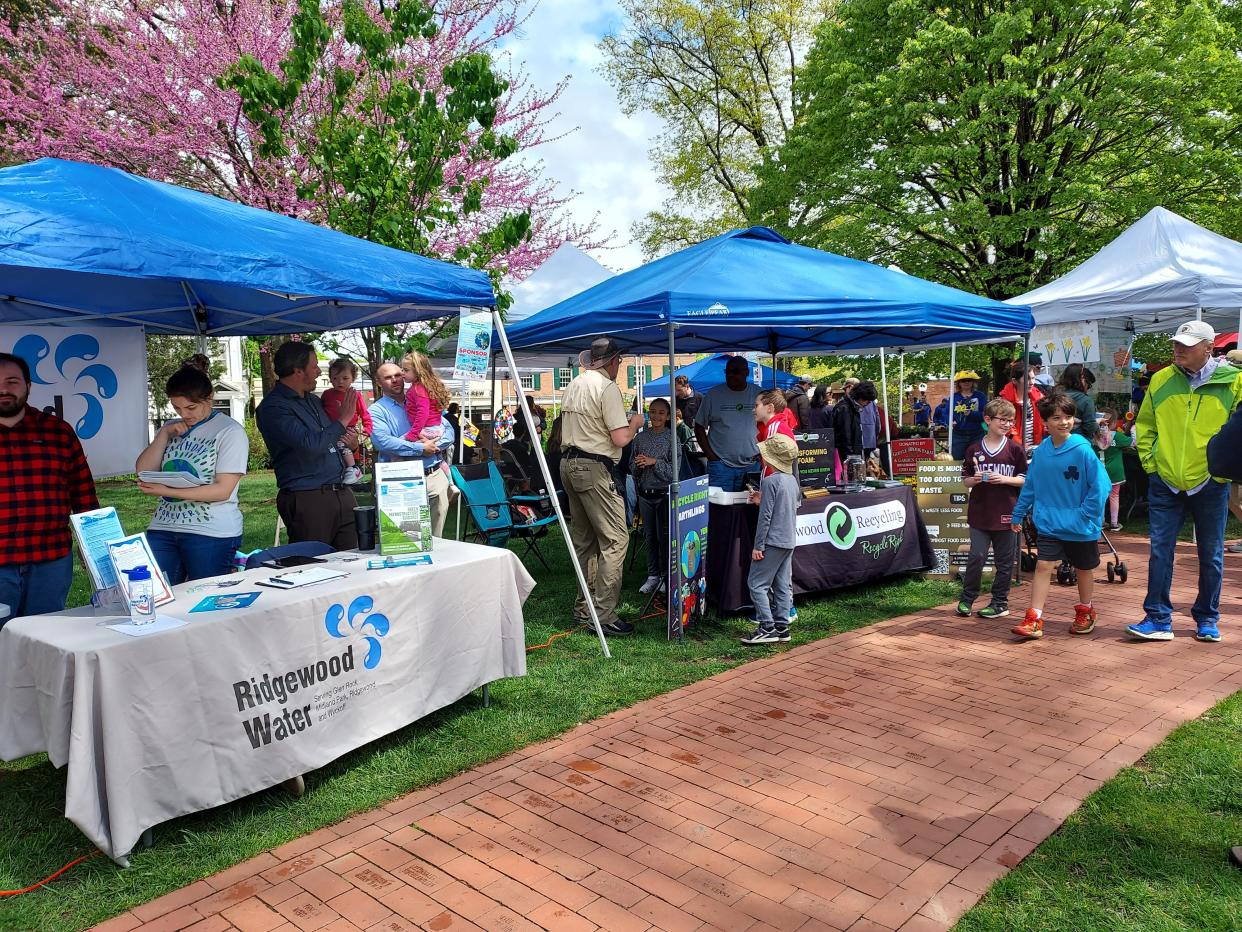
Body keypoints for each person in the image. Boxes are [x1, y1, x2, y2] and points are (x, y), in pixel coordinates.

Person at [1127, 321, 1242, 643]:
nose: (1179, 349)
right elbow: (1145, 425)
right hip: (1165, 480)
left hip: (1210, 481)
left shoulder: (1234, 381)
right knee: (1160, 551)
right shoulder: (1162, 379)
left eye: (1188, 344)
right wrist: (1152, 465)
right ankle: (1157, 618)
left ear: (1208, 347)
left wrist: (1220, 470)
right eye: (1177, 343)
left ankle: (1207, 618)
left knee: (1211, 554)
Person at [0, 352, 99, 627]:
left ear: (28, 387)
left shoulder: (58, 432)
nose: (4, 390)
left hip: (50, 560)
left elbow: (83, 493)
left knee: (45, 640)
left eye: (12, 381)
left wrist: (91, 545)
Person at [135, 356, 249, 584]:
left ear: (210, 398)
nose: (184, 414)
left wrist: (166, 490)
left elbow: (222, 491)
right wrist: (163, 435)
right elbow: (143, 471)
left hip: (211, 532)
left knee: (205, 601)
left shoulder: (230, 432)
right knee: (160, 597)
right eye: (176, 407)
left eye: (190, 407)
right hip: (163, 527)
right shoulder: (171, 427)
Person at [559, 337, 646, 636]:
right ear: (612, 361)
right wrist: (635, 423)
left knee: (586, 541)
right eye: (619, 361)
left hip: (569, 464)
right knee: (616, 540)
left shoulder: (574, 384)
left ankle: (585, 609)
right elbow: (620, 438)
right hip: (593, 466)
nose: (620, 365)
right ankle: (604, 615)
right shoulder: (607, 387)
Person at [1009, 391, 1110, 640]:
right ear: (1045, 422)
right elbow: (1031, 485)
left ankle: (1086, 611)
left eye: (1068, 417)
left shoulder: (1083, 451)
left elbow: (1101, 486)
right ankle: (1034, 617)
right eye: (1056, 417)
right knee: (1043, 565)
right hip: (1050, 523)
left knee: (1083, 569)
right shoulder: (1041, 452)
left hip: (1080, 525)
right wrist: (1018, 513)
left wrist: (1086, 514)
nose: (1063, 422)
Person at [256, 341, 361, 549]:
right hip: (308, 498)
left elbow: (330, 440)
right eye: (314, 367)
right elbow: (310, 445)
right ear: (297, 371)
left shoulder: (313, 401)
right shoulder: (274, 408)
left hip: (341, 492)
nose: (318, 372)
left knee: (353, 563)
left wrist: (352, 443)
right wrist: (342, 420)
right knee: (314, 568)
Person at [955, 398, 1027, 620]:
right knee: (976, 555)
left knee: (1004, 560)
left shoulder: (1015, 449)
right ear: (987, 420)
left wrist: (1004, 479)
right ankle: (967, 598)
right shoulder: (974, 449)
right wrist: (975, 479)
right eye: (1002, 420)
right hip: (980, 511)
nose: (1006, 424)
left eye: (1010, 421)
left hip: (1007, 510)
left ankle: (999, 602)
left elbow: (1025, 479)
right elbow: (965, 480)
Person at [369, 362, 455, 537]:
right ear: (379, 382)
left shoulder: (421, 396)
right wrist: (420, 448)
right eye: (388, 377)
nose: (395, 380)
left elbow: (448, 430)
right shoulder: (376, 410)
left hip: (434, 477)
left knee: (437, 541)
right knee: (407, 541)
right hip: (401, 482)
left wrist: (434, 445)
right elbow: (382, 442)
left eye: (398, 375)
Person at [740, 434, 799, 646]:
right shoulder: (791, 480)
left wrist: (758, 546)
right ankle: (782, 627)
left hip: (772, 540)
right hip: (788, 539)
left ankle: (767, 627)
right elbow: (788, 506)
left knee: (756, 584)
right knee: (782, 584)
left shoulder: (770, 481)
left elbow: (766, 517)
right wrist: (763, 500)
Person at [695, 355, 762, 491]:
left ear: (746, 373)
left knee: (750, 509)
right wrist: (710, 455)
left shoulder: (758, 395)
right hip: (720, 466)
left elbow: (768, 424)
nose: (731, 375)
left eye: (736, 372)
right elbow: (699, 426)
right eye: (728, 372)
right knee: (720, 510)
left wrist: (763, 452)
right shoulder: (713, 394)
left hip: (752, 464)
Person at [631, 398, 675, 596]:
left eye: (661, 412)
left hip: (665, 495)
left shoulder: (672, 438)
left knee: (664, 537)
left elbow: (675, 472)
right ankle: (652, 576)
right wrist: (638, 466)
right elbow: (632, 468)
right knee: (649, 537)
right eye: (653, 411)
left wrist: (653, 462)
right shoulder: (640, 439)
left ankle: (666, 576)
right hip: (645, 494)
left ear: (667, 416)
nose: (656, 416)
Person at [321, 358, 372, 484]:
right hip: (331, 429)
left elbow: (364, 414)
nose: (340, 382)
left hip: (348, 429)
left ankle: (353, 468)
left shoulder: (355, 395)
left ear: (353, 378)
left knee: (344, 447)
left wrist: (368, 429)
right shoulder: (327, 395)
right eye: (335, 378)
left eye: (345, 378)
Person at [401, 352, 451, 475]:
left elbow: (422, 413)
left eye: (406, 370)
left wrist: (413, 434)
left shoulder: (418, 389)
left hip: (426, 430)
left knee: (397, 447)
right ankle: (451, 483)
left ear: (418, 371)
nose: (402, 373)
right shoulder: (428, 387)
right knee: (439, 458)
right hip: (437, 428)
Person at [934, 371, 987, 460]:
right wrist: (950, 421)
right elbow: (947, 414)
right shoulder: (954, 397)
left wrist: (971, 414)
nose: (966, 382)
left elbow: (985, 415)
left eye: (969, 380)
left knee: (978, 459)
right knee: (956, 459)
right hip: (958, 434)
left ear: (973, 382)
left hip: (977, 434)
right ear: (959, 383)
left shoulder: (980, 396)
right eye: (963, 381)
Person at [999, 361, 1045, 452]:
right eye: (1027, 379)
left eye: (1033, 378)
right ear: (1014, 381)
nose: (1032, 382)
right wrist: (1020, 443)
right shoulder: (1005, 402)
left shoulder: (1039, 397)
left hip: (1036, 447)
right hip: (1014, 449)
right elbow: (1006, 427)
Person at [1098, 411, 1131, 532]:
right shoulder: (1116, 436)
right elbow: (1131, 442)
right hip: (1115, 472)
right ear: (1113, 423)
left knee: (1100, 497)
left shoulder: (1094, 437)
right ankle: (1114, 523)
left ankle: (1100, 522)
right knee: (1114, 495)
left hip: (1099, 471)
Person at [832, 379, 878, 459]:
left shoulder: (852, 407)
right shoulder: (845, 408)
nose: (868, 404)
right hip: (848, 455)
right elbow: (845, 436)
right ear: (861, 397)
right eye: (867, 401)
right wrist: (851, 457)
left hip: (853, 453)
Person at [1055, 363, 1097, 443]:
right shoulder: (1086, 400)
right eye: (1089, 385)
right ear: (1083, 380)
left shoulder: (1054, 395)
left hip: (1055, 442)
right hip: (1078, 443)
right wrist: (1096, 426)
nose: (1088, 388)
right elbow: (1089, 427)